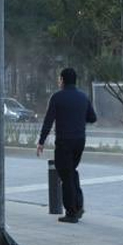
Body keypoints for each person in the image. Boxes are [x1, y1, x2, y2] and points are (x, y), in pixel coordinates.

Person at [36, 67, 96, 223]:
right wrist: (78, 117)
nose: (58, 81)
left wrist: (41, 141)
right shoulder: (83, 97)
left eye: (59, 79)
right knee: (71, 171)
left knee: (66, 175)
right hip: (79, 141)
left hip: (64, 142)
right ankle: (78, 204)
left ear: (62, 80)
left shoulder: (57, 97)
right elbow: (93, 117)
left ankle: (72, 211)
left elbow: (48, 121)